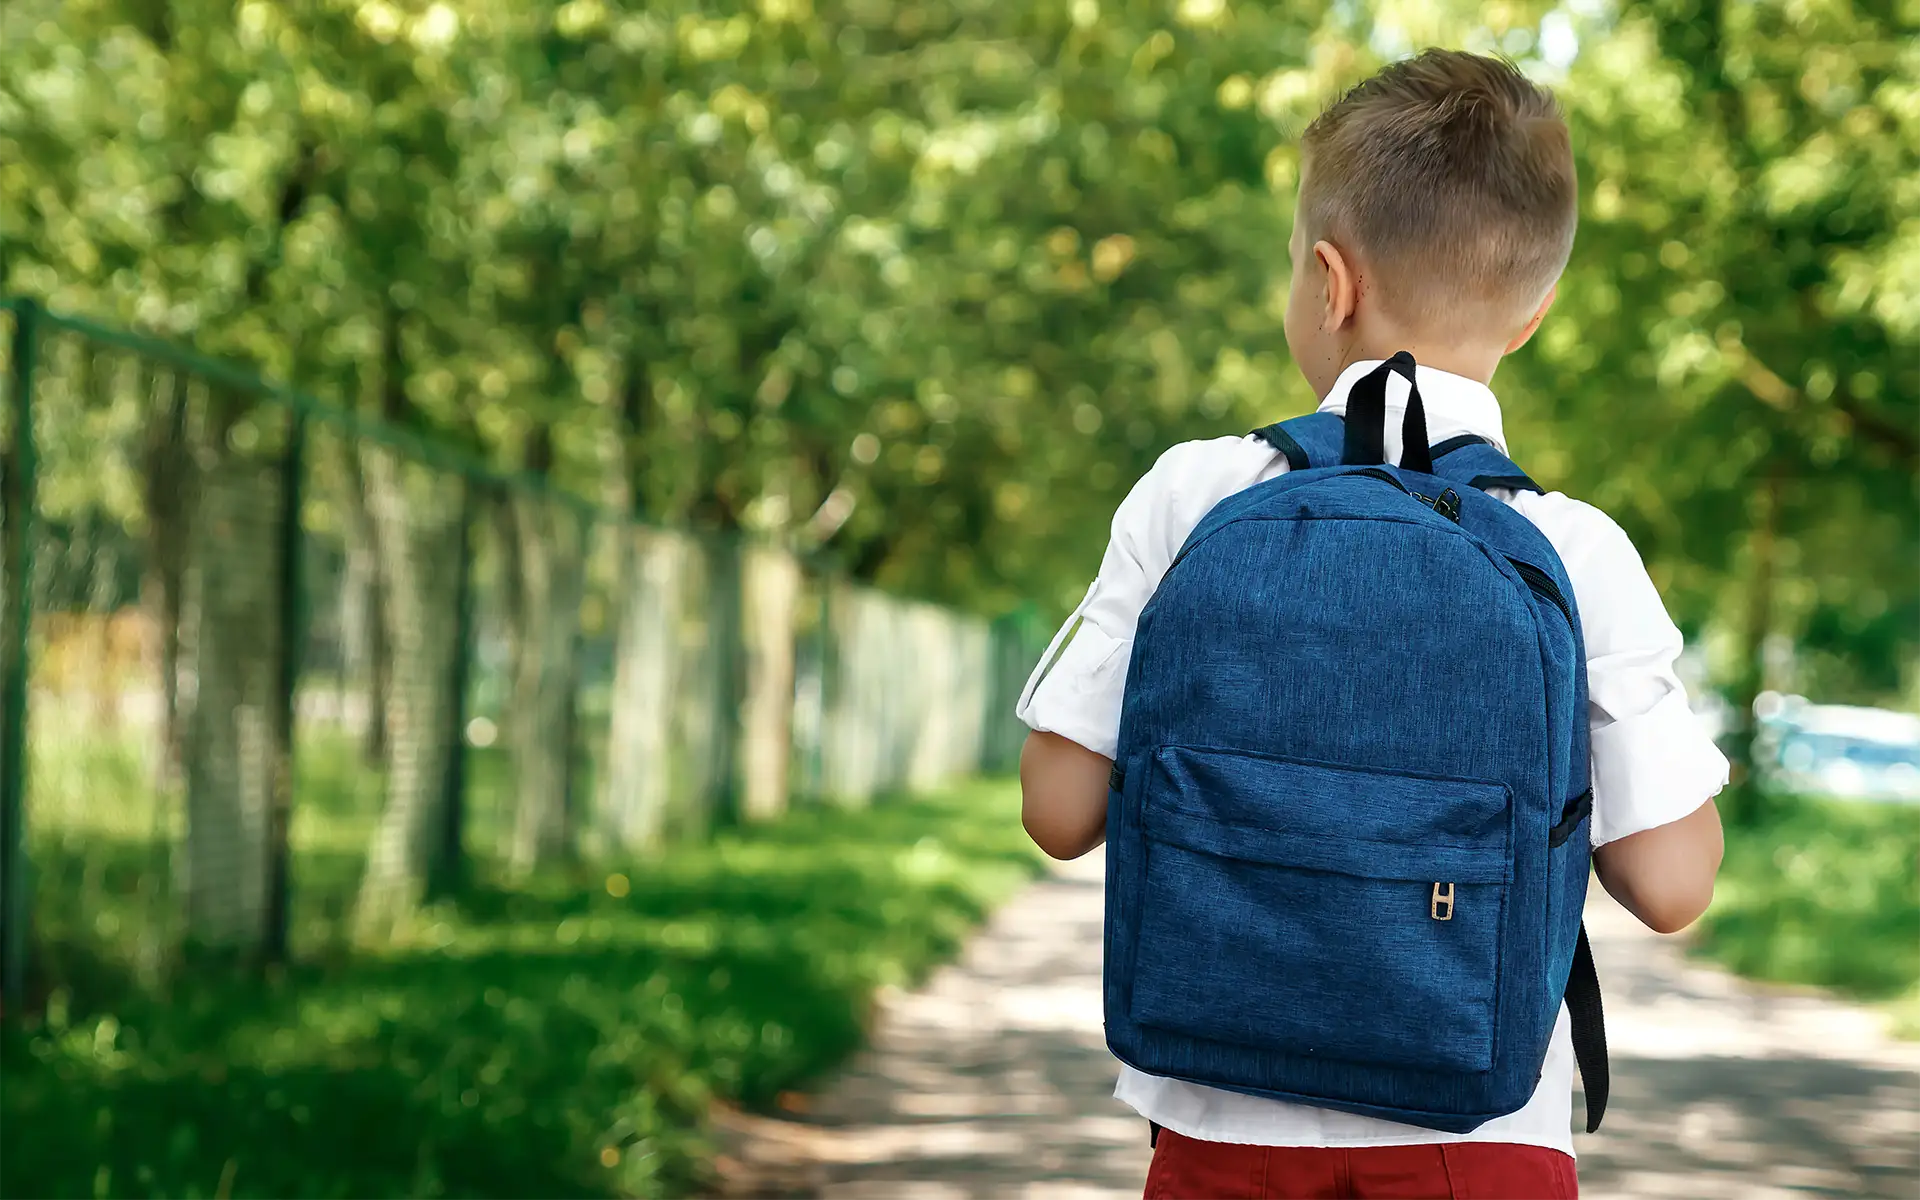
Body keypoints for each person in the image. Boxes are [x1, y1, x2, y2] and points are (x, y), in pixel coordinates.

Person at [1014, 48, 1728, 1199]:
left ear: (1330, 282)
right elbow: (1673, 884)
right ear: (1536, 313)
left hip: (1217, 1124)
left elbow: (1059, 812)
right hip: (1481, 1132)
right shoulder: (1576, 551)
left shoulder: (1195, 496)